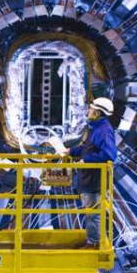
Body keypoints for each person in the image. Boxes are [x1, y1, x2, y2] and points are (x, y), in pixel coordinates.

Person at [50, 96, 117, 247]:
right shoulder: (97, 128)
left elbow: (109, 154)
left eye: (91, 109)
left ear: (98, 113)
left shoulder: (104, 131)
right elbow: (88, 148)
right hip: (89, 179)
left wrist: (86, 160)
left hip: (94, 180)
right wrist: (71, 151)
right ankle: (91, 240)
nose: (88, 111)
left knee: (94, 213)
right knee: (90, 212)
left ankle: (94, 243)